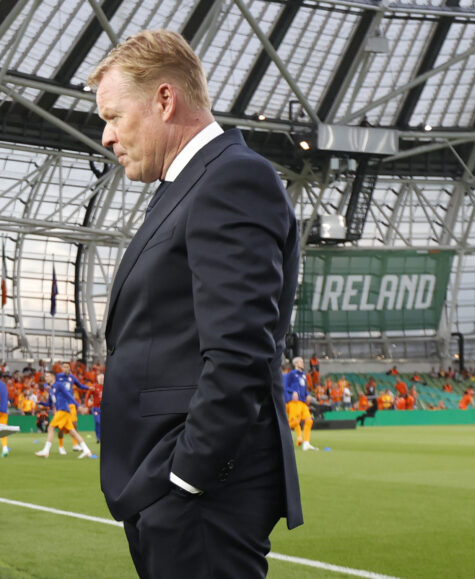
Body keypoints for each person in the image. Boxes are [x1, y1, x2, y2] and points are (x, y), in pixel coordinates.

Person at [88, 30, 302, 578]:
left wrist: (185, 479)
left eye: (114, 117)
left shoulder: (231, 177)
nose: (107, 137)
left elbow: (238, 351)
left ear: (164, 100)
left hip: (200, 497)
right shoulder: (188, 186)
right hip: (171, 493)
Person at [35, 372, 92, 459]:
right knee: (73, 432)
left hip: (63, 410)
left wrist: (78, 406)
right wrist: (41, 403)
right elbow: (49, 404)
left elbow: (69, 395)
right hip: (61, 411)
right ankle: (87, 450)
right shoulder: (51, 389)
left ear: (53, 377)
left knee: (51, 428)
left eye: (47, 376)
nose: (45, 378)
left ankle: (46, 451)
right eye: (45, 376)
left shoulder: (59, 385)